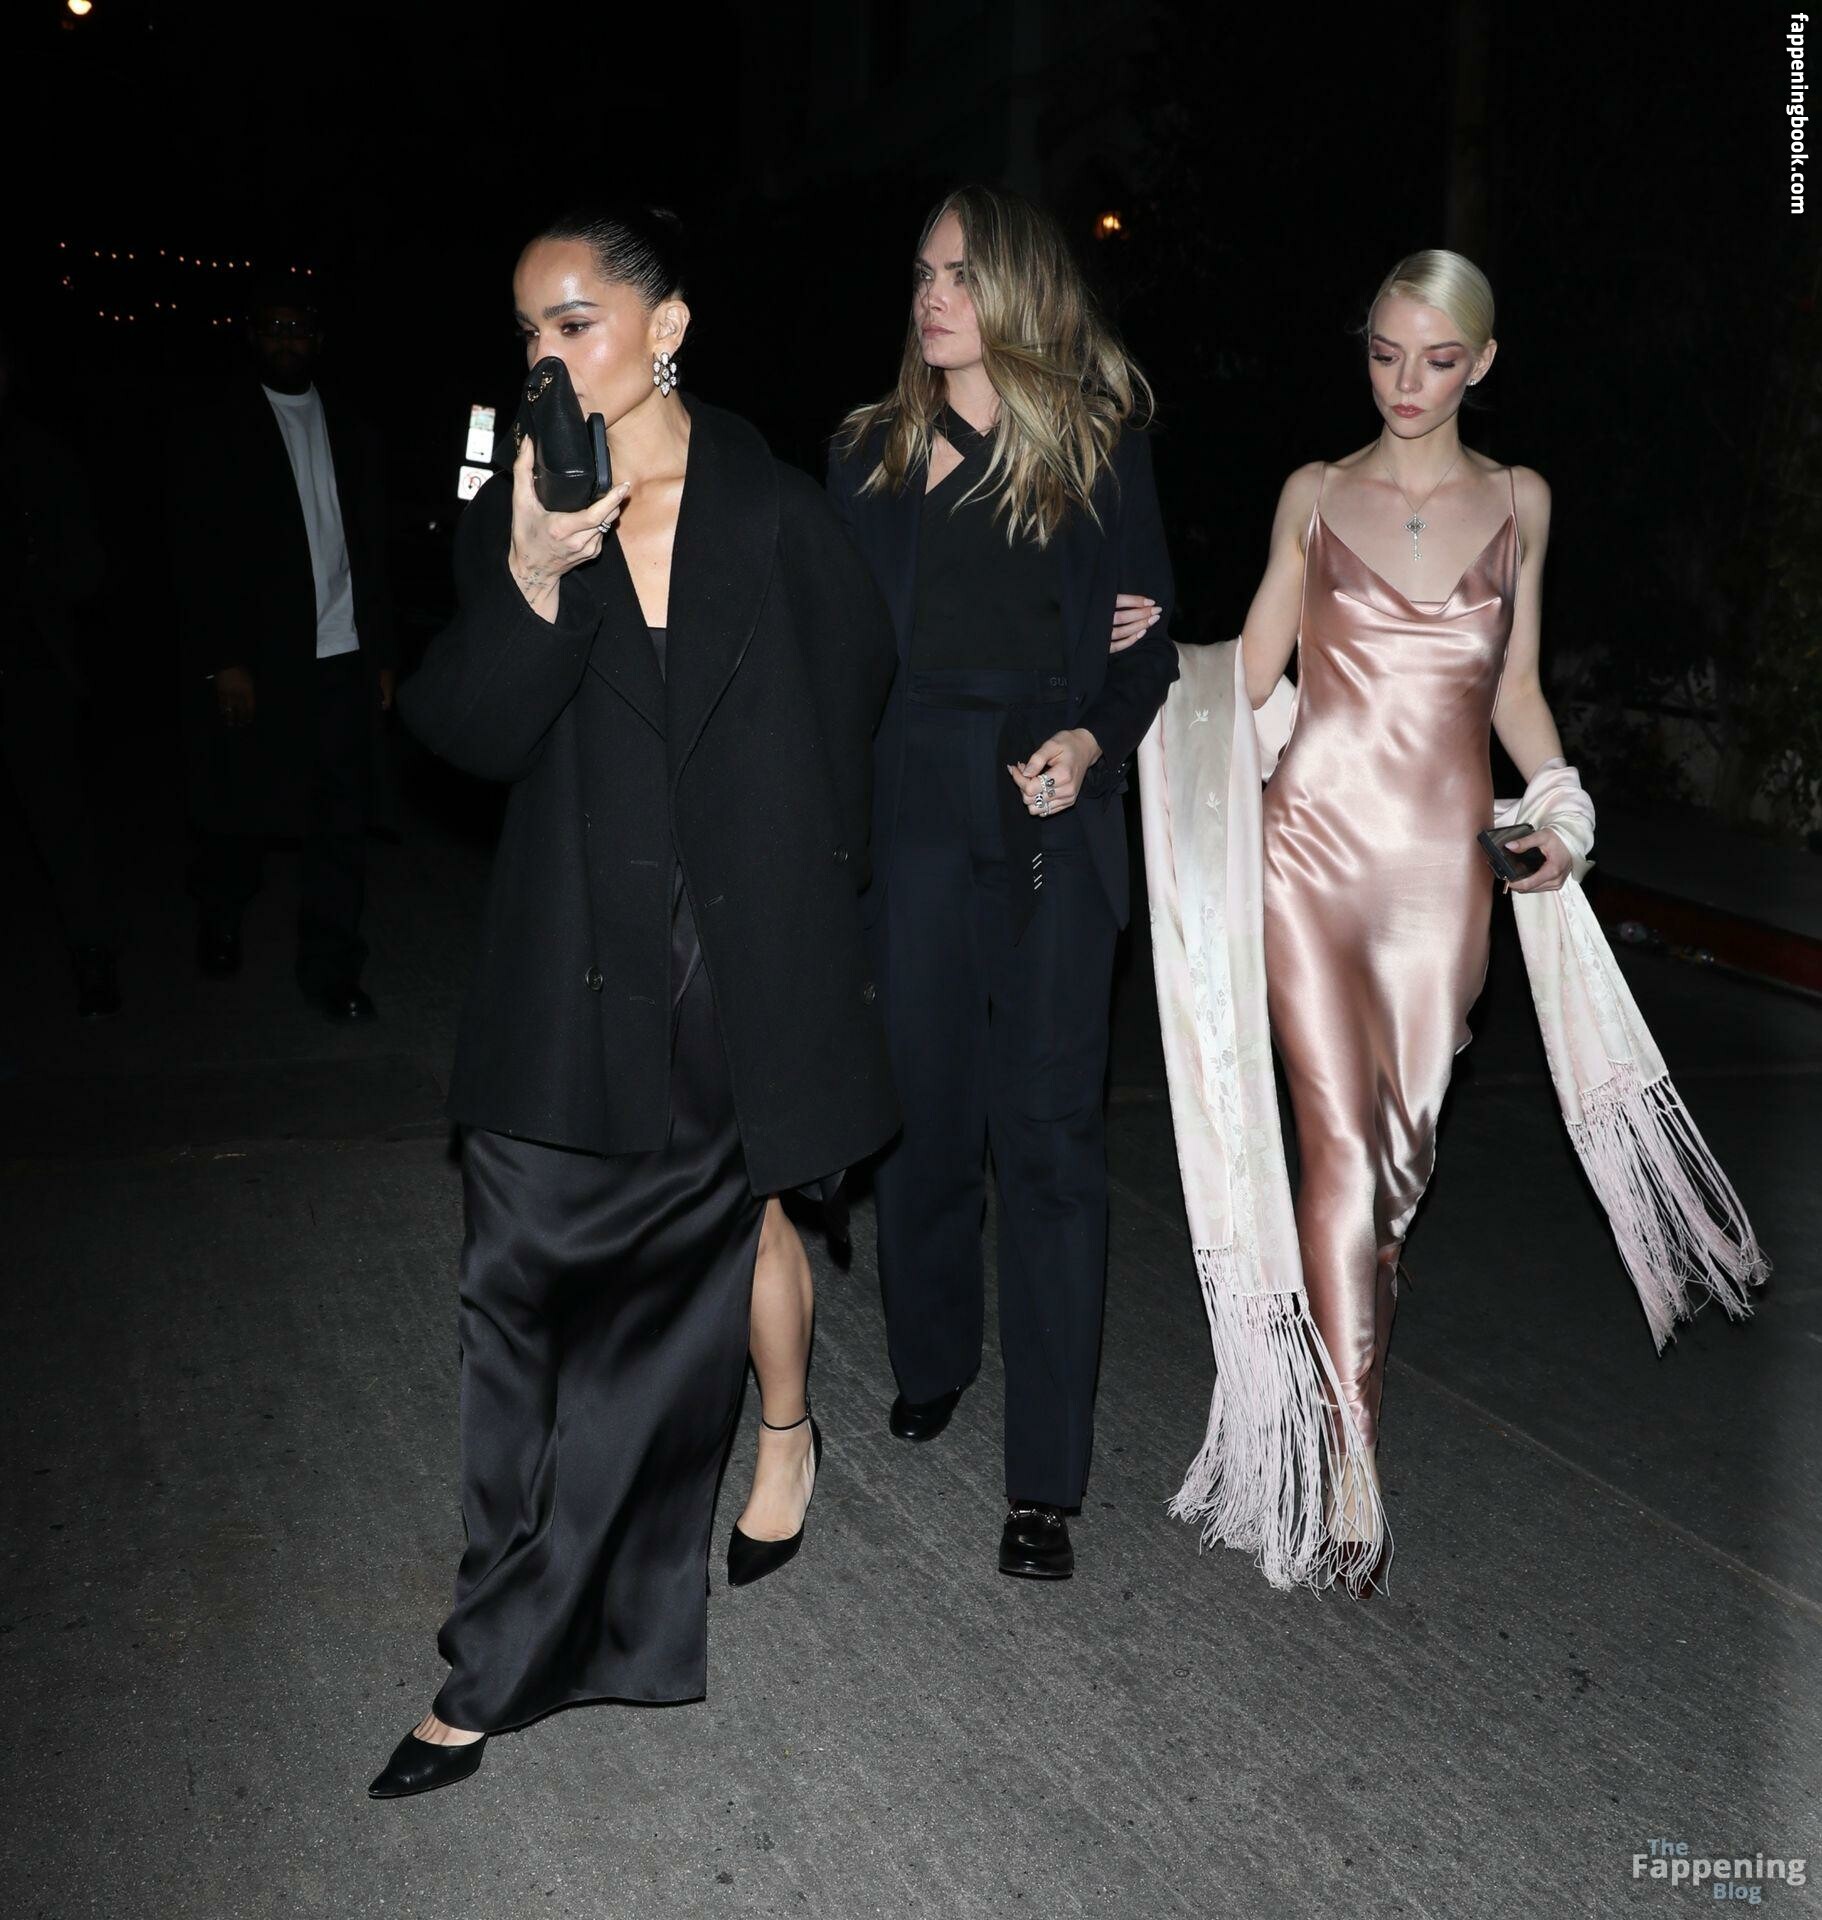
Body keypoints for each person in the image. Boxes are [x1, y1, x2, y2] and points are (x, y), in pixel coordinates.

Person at [374, 207, 898, 1798]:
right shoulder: (522, 511)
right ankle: (517, 1614)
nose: (545, 355)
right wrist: (534, 578)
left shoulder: (780, 517)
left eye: (575, 320)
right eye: (526, 331)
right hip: (564, 971)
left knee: (654, 1347)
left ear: (666, 328)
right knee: (516, 1301)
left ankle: (496, 1667)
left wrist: (804, 947)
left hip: (716, 990)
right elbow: (460, 732)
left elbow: (848, 721)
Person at [1146, 250, 1764, 1598]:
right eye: (1383, 354)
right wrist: (1143, 656)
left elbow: (1517, 691)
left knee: (1395, 1163)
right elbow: (1247, 675)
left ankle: (1356, 1298)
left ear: (1480, 363)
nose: (1405, 383)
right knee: (1333, 1151)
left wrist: (1565, 812)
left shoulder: (1519, 501)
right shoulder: (1313, 493)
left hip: (1440, 874)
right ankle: (1349, 1471)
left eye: (1435, 360)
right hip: (1306, 856)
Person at [827, 184, 1178, 1580]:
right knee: (921, 1117)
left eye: (961, 275)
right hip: (909, 802)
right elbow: (825, 650)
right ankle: (931, 1357)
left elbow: (1147, 647)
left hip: (1046, 806)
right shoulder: (865, 452)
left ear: (1021, 291)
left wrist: (1092, 739)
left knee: (1048, 1141)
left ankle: (1045, 1482)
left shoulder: (1098, 449)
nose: (932, 297)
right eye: (923, 273)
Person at [167, 277, 396, 1021]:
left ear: (318, 339)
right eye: (273, 327)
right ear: (253, 336)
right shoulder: (218, 427)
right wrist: (224, 658)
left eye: (297, 328)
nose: (286, 340)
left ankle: (331, 967)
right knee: (241, 800)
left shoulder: (352, 430)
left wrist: (381, 654)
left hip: (342, 654)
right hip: (261, 658)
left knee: (340, 819)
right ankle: (221, 913)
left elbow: (372, 550)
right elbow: (198, 552)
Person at [0, 326, 118, 1018]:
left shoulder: (38, 455)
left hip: (28, 666)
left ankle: (93, 956)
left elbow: (88, 567)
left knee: (61, 822)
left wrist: (36, 570)